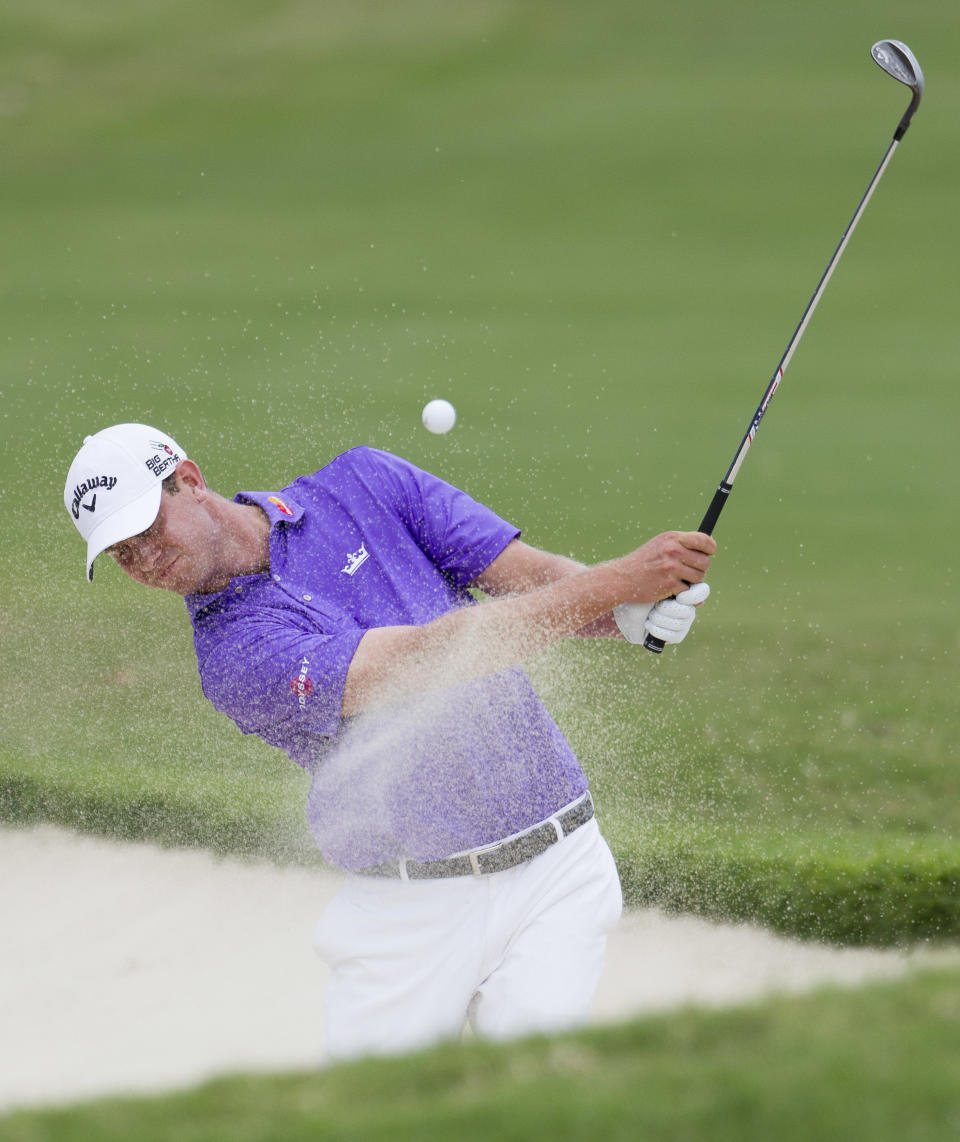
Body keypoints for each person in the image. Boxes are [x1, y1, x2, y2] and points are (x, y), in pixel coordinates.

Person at [64, 421, 715, 1061]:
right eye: (121, 553)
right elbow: (430, 658)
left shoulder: (364, 481)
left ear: (189, 480)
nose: (143, 559)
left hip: (557, 864)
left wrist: (629, 613)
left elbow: (532, 577)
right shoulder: (233, 655)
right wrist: (617, 582)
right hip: (410, 912)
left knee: (537, 1102)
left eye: (147, 530)